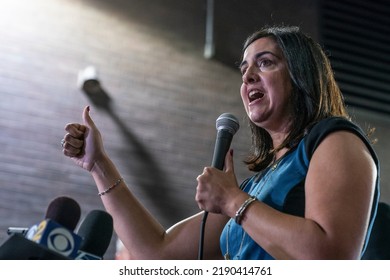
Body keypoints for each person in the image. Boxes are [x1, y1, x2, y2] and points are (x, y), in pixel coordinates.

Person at [61, 25, 379, 260]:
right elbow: (157, 254)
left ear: (301, 74)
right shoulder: (253, 188)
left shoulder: (336, 139)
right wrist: (98, 164)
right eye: (244, 70)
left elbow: (333, 259)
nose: (248, 77)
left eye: (265, 62)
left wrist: (232, 202)